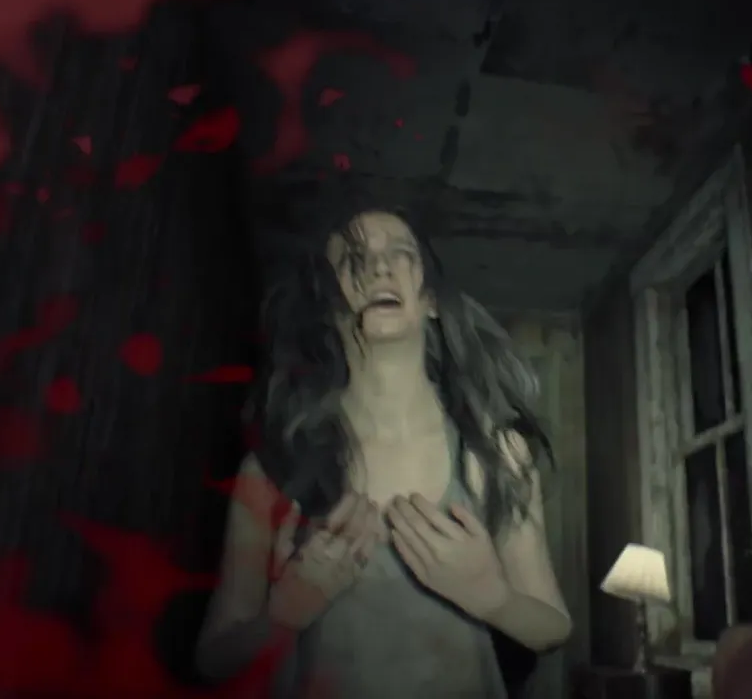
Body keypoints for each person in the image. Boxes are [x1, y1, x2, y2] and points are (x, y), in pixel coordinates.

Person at [194, 185, 571, 698]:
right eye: (353, 258)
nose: (378, 268)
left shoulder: (495, 453)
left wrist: (492, 598)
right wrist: (286, 611)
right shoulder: (273, 469)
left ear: (430, 299)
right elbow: (213, 659)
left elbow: (552, 626)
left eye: (401, 253)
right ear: (326, 304)